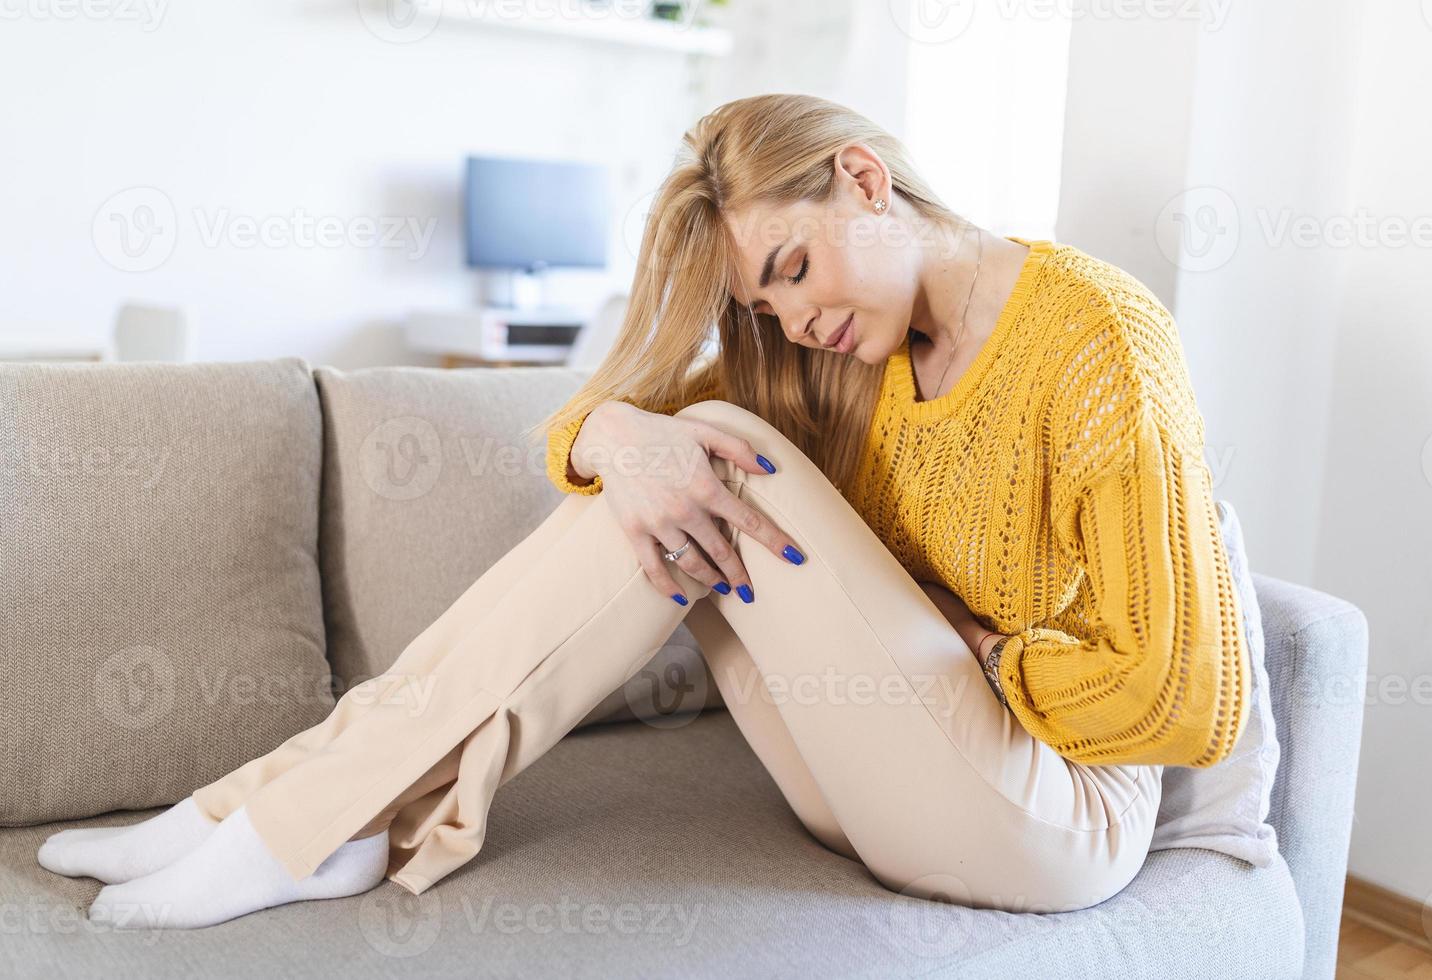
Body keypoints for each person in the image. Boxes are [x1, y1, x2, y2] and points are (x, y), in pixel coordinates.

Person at [40, 93, 1250, 930]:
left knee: (718, 443)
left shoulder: (1096, 338)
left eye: (790, 270)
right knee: (681, 456)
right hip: (875, 783)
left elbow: (1185, 699)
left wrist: (983, 649)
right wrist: (621, 435)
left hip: (1055, 815)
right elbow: (587, 428)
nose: (792, 319)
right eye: (763, 307)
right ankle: (290, 809)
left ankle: (288, 822)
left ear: (865, 179)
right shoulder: (842, 356)